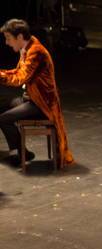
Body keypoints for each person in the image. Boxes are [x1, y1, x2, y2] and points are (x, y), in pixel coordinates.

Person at [0, 19, 73, 168]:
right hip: (32, 99)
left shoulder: (36, 52)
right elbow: (18, 72)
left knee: (3, 119)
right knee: (1, 105)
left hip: (42, 105)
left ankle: (20, 152)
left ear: (19, 37)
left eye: (8, 38)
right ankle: (21, 151)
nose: (7, 43)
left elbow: (19, 78)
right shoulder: (28, 46)